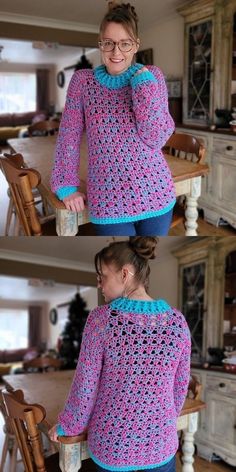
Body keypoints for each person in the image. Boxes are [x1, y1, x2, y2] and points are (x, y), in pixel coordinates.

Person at [49, 237, 191, 472]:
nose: (99, 284)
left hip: (112, 446)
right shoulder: (178, 322)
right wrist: (158, 423)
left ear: (125, 274)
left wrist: (68, 425)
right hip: (161, 446)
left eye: (102, 276)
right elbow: (180, 386)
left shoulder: (101, 320)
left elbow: (86, 386)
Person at [50, 2, 176, 236]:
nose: (116, 52)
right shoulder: (83, 82)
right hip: (108, 201)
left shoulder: (152, 77)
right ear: (100, 44)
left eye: (125, 44)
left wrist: (143, 88)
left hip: (157, 193)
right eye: (108, 43)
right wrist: (65, 184)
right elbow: (69, 135)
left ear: (135, 45)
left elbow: (157, 138)